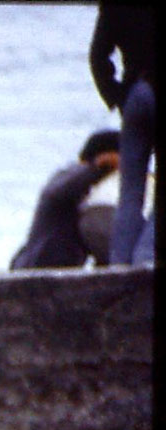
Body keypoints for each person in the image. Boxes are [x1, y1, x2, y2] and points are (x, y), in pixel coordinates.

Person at [89, 3, 155, 265]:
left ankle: (120, 263)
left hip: (135, 94)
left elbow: (97, 56)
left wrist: (118, 98)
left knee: (130, 191)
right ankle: (145, 260)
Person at [11, 131, 121, 270]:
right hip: (42, 264)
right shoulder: (73, 175)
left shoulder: (76, 178)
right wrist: (98, 167)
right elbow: (59, 192)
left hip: (46, 263)